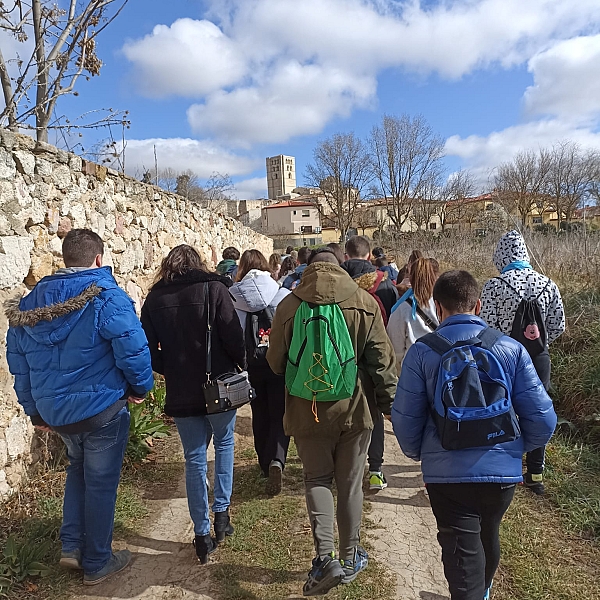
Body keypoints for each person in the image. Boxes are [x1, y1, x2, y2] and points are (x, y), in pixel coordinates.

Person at [392, 270, 557, 600]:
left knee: (461, 550)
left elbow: (406, 418)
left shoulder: (423, 352)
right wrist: (518, 450)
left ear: (438, 307)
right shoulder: (510, 349)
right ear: (478, 305)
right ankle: (481, 593)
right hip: (501, 477)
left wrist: (418, 453)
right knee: (487, 533)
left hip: (447, 476)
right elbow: (543, 417)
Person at [5, 229, 154, 585]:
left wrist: (35, 411)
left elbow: (19, 365)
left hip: (57, 413)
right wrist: (140, 387)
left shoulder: (29, 305)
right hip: (101, 407)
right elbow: (133, 349)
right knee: (100, 483)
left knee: (76, 470)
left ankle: (71, 546)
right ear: (99, 259)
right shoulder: (107, 296)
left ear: (64, 258)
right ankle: (98, 561)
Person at [267, 250, 397, 596]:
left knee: (318, 480)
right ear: (341, 267)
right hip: (355, 410)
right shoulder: (364, 302)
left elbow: (276, 363)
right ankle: (351, 557)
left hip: (306, 409)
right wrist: (389, 407)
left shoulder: (289, 305)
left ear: (307, 269)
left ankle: (325, 560)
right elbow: (381, 362)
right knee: (350, 486)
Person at [141, 245, 245, 564]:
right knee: (225, 445)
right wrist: (239, 365)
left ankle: (201, 534)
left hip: (181, 388)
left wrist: (169, 368)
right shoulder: (214, 288)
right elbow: (233, 335)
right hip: (220, 384)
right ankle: (222, 515)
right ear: (198, 263)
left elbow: (148, 349)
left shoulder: (155, 298)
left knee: (194, 458)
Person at [480, 230, 565, 495]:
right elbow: (558, 325)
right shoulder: (548, 284)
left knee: (501, 409)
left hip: (503, 357)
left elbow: (485, 327)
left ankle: (505, 467)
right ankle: (535, 473)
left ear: (501, 255)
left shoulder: (494, 286)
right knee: (537, 411)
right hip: (539, 359)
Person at [230, 250, 291, 494]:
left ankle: (265, 464)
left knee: (259, 411)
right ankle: (277, 458)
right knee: (280, 412)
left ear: (242, 268)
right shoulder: (282, 293)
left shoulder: (234, 297)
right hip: (278, 362)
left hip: (251, 364)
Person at [341, 235, 398, 491]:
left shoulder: (336, 283)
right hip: (376, 357)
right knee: (373, 417)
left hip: (341, 359)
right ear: (369, 257)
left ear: (345, 255)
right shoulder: (385, 285)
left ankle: (344, 468)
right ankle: (375, 470)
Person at [387, 257, 438, 373]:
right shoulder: (443, 305)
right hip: (439, 371)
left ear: (411, 278)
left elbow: (395, 351)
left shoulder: (400, 309)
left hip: (413, 372)